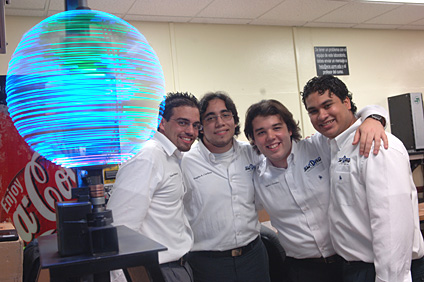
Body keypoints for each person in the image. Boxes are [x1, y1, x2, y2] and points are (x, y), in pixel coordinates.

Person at [244, 99, 388, 282]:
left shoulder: (319, 146)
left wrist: (373, 118)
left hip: (348, 262)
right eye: (261, 132)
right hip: (302, 270)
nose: (271, 136)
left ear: (289, 129)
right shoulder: (257, 177)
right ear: (254, 140)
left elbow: (355, 117)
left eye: (276, 127)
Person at [301, 74, 424, 282]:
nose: (321, 116)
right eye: (313, 111)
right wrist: (374, 115)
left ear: (347, 102)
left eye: (328, 105)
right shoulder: (332, 144)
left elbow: (392, 227)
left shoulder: (378, 144)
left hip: (382, 270)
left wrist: (388, 279)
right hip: (353, 268)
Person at [107, 92, 201, 282]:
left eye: (196, 125)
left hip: (177, 266)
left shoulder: (173, 156)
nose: (191, 131)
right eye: (182, 122)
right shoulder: (148, 155)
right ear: (161, 122)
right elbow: (119, 228)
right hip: (157, 271)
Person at [181, 91, 270, 282]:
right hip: (207, 264)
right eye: (210, 118)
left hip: (253, 257)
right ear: (201, 126)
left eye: (225, 115)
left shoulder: (253, 153)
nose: (219, 122)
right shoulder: (184, 162)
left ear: (235, 121)